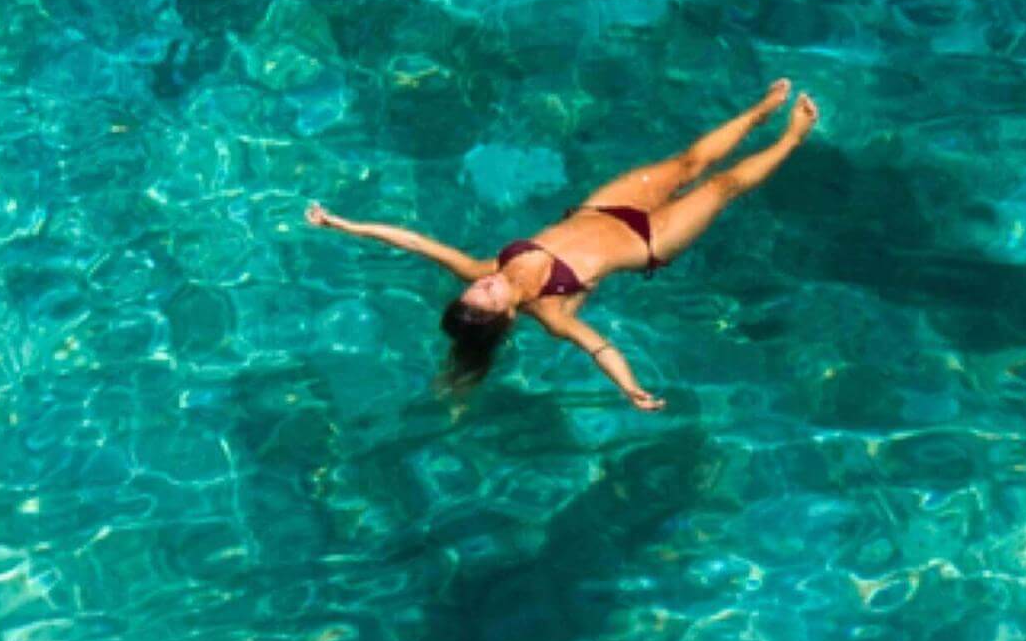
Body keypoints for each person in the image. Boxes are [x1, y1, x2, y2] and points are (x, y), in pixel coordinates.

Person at [305, 80, 818, 411]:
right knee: (719, 188)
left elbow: (414, 241)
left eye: (473, 291)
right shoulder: (551, 312)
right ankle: (792, 138)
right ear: (506, 317)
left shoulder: (485, 266)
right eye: (485, 297)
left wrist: (341, 224)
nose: (482, 283)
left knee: (688, 163)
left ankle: (759, 112)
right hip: (650, 240)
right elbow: (598, 345)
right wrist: (630, 387)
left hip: (602, 208)